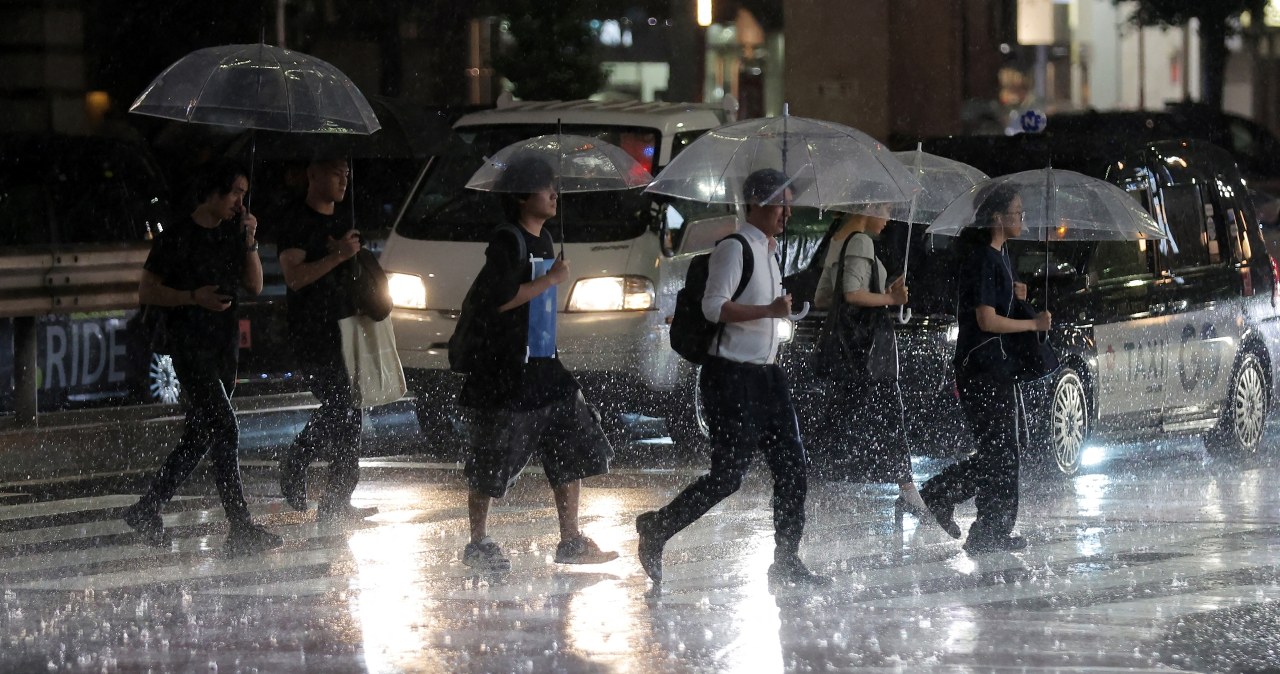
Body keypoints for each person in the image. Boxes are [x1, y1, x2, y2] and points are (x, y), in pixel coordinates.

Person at [636, 168, 830, 589]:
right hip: (730, 378)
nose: (787, 211)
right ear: (759, 203)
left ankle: (786, 559)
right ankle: (657, 527)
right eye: (782, 203)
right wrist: (769, 312)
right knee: (727, 477)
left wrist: (786, 311)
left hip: (768, 376)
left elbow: (769, 307)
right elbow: (713, 307)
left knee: (794, 469)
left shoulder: (769, 250)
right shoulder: (734, 249)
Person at [455, 155, 618, 572]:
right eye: (546, 187)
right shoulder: (507, 241)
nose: (554, 195)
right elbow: (501, 299)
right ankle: (479, 541)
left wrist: (551, 280)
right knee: (495, 455)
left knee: (569, 442)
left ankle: (571, 538)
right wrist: (550, 280)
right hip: (508, 370)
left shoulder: (544, 240)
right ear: (524, 196)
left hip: (544, 364)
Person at [122, 159, 283, 557]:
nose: (239, 202)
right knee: (225, 428)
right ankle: (241, 526)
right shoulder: (176, 237)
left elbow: (256, 285)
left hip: (224, 346)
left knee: (200, 434)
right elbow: (147, 291)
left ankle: (148, 507)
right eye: (234, 193)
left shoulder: (234, 233)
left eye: (244, 194)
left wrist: (250, 240)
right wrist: (193, 297)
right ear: (213, 192)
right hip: (189, 347)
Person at [918, 183, 1052, 553]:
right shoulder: (981, 258)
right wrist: (1032, 325)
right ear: (997, 217)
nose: (1021, 218)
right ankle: (953, 502)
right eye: (1017, 212)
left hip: (997, 367)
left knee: (1007, 448)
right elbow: (986, 320)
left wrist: (1015, 295)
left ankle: (989, 526)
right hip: (981, 369)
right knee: (1000, 450)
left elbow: (996, 305)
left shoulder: (1001, 257)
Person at [810, 206, 931, 526]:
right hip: (870, 353)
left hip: (851, 352)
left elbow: (825, 297)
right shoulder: (861, 241)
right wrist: (890, 300)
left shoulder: (837, 239)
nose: (889, 217)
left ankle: (806, 478)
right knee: (892, 417)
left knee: (837, 418)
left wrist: (884, 290)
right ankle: (908, 491)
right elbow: (852, 294)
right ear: (868, 206)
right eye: (886, 208)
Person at [275, 157, 374, 524]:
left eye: (347, 173)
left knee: (352, 414)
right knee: (340, 406)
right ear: (312, 173)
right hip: (312, 332)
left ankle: (338, 498)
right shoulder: (296, 222)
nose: (343, 180)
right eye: (336, 172)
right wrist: (338, 255)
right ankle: (298, 457)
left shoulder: (344, 221)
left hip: (347, 329)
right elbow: (295, 277)